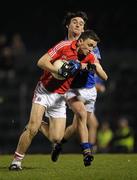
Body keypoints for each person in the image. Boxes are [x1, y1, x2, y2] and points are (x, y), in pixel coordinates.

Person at [9, 29, 107, 170]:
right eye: (90, 45)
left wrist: (93, 67)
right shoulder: (64, 46)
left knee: (56, 138)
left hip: (60, 97)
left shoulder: (90, 57)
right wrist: (59, 71)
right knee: (32, 128)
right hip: (44, 91)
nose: (92, 49)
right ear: (80, 42)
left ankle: (41, 123)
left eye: (94, 46)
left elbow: (104, 76)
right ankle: (16, 162)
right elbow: (41, 62)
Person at [39, 11, 107, 162]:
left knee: (77, 126)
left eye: (81, 23)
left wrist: (99, 83)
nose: (78, 25)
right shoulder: (62, 46)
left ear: (84, 30)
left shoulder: (91, 45)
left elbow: (97, 68)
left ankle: (58, 145)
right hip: (70, 89)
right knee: (83, 116)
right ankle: (87, 151)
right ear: (67, 25)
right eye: (75, 22)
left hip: (88, 89)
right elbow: (51, 67)